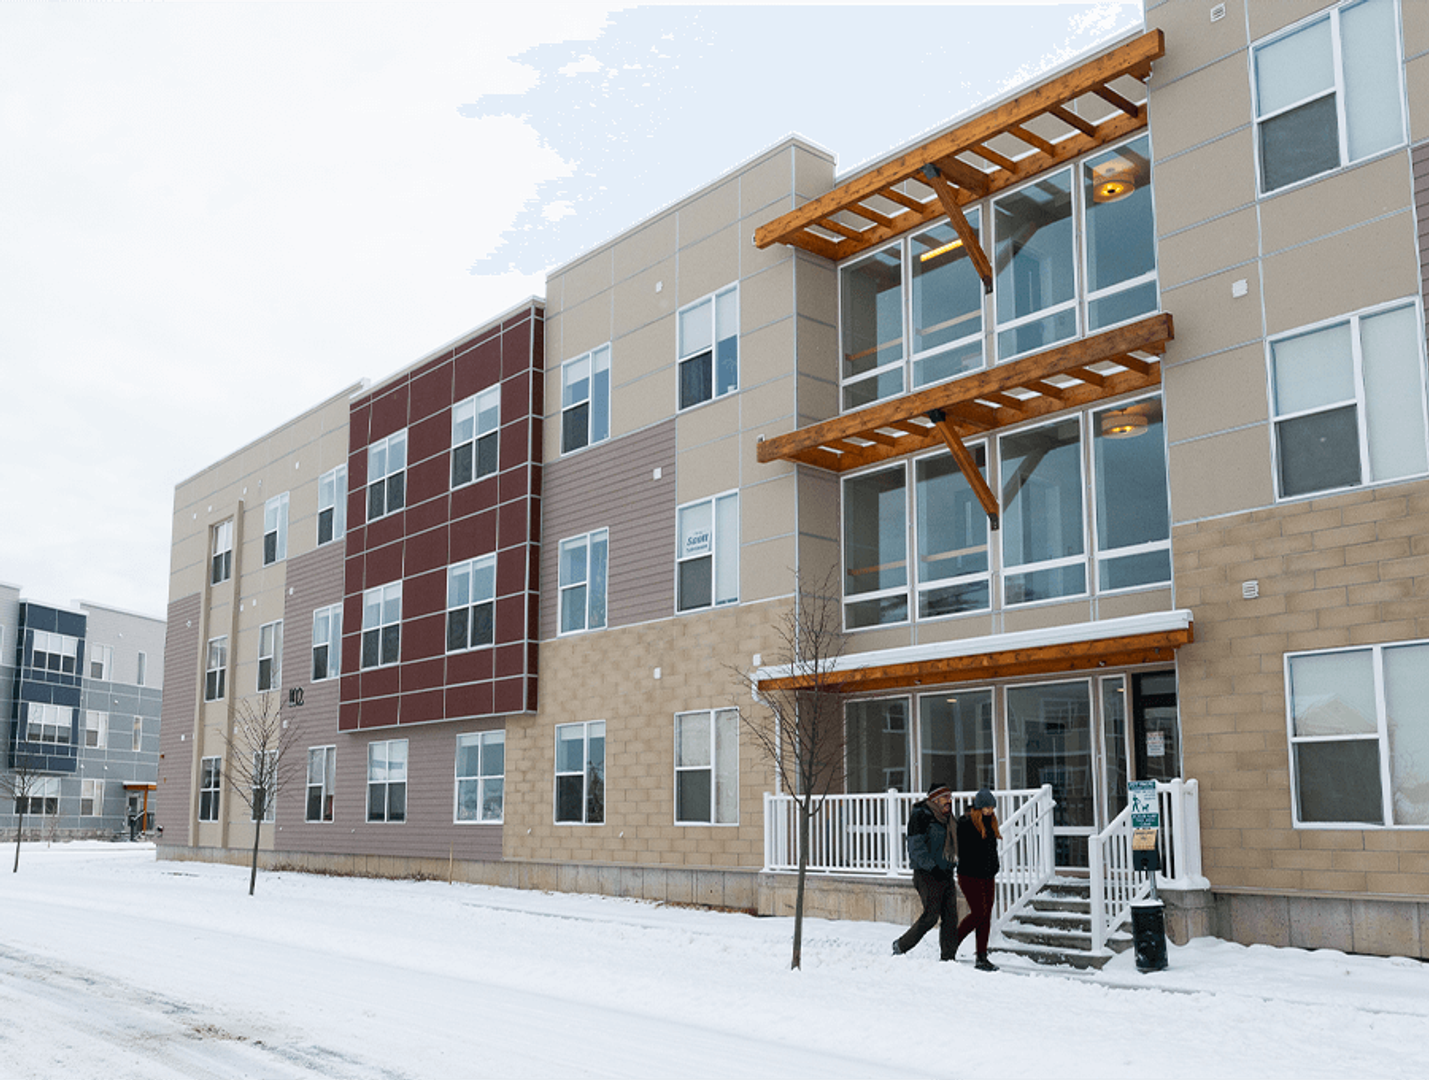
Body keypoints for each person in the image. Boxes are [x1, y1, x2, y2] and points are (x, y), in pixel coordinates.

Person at [892, 783, 958, 959]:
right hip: (926, 874)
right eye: (945, 798)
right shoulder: (920, 817)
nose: (949, 801)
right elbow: (915, 847)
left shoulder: (949, 819)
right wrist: (932, 867)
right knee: (931, 916)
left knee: (951, 917)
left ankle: (949, 957)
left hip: (946, 872)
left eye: (950, 797)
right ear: (935, 799)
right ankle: (901, 945)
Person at [953, 787, 1001, 971]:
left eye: (992, 808)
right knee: (979, 913)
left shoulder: (991, 823)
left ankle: (982, 956)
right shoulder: (966, 824)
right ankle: (952, 943)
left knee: (986, 915)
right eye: (986, 807)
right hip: (969, 875)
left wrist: (994, 867)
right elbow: (964, 851)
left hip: (987, 875)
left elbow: (991, 849)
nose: (989, 811)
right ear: (979, 807)